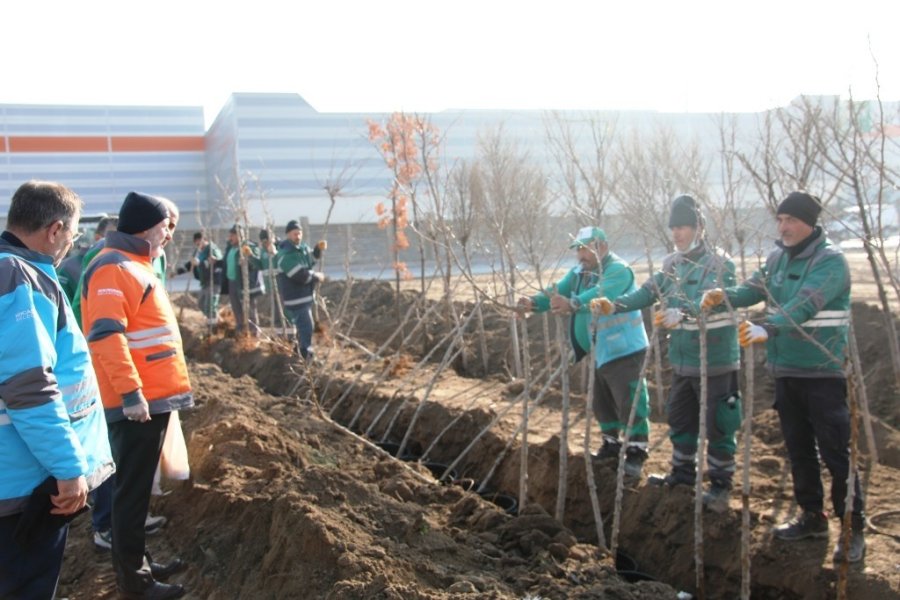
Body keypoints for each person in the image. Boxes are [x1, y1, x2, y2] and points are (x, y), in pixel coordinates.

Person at [701, 191, 865, 562]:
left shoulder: (831, 262)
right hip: (787, 372)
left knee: (837, 454)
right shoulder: (775, 259)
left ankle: (852, 528)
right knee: (799, 450)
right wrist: (721, 294)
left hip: (822, 373)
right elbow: (752, 290)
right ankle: (812, 516)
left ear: (810, 222)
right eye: (780, 220)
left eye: (791, 220)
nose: (784, 227)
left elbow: (806, 303)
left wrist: (768, 326)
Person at [0, 180, 114, 599]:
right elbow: (30, 387)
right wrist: (68, 469)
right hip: (23, 483)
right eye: (73, 233)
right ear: (54, 229)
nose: (72, 242)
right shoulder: (18, 278)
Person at [594, 195, 741, 512]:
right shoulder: (672, 264)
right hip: (684, 359)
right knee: (680, 419)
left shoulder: (720, 265)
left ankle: (720, 486)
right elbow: (649, 291)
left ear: (699, 227)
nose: (677, 234)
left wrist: (684, 315)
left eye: (683, 227)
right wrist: (616, 304)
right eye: (674, 227)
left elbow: (720, 305)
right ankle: (683, 474)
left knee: (718, 424)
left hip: (715, 360)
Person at [82, 191, 193, 599]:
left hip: (151, 398)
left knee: (136, 490)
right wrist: (131, 393)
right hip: (136, 402)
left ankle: (140, 563)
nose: (168, 234)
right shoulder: (114, 268)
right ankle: (137, 585)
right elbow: (108, 335)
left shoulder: (133, 265)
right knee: (129, 495)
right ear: (146, 227)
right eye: (165, 226)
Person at [518, 226, 650, 477]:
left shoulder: (618, 270)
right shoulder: (580, 273)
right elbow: (558, 290)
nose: (580, 254)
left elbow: (601, 294)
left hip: (626, 348)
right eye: (578, 249)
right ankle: (611, 444)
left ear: (601, 246)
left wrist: (573, 304)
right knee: (602, 400)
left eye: (585, 248)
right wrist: (534, 302)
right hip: (601, 348)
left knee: (630, 399)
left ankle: (636, 451)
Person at [275, 220, 326, 360]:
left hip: (305, 296)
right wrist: (317, 276)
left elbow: (310, 260)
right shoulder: (285, 254)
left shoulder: (301, 248)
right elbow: (300, 275)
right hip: (296, 298)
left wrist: (317, 250)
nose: (298, 236)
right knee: (306, 329)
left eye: (299, 233)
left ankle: (299, 353)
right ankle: (307, 358)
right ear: (288, 235)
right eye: (294, 234)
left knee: (303, 329)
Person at [223, 224, 265, 337]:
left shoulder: (249, 246)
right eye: (230, 235)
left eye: (232, 235)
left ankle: (254, 334)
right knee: (236, 309)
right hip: (232, 282)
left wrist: (248, 259)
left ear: (239, 235)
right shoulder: (230, 248)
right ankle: (241, 333)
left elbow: (257, 263)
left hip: (245, 284)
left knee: (249, 309)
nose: (230, 238)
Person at [179, 231, 223, 326]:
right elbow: (191, 264)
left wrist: (200, 263)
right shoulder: (200, 252)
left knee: (210, 305)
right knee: (201, 304)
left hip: (213, 280)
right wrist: (178, 272)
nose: (198, 245)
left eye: (199, 242)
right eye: (196, 243)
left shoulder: (212, 249)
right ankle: (216, 320)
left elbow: (217, 261)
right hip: (204, 281)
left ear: (205, 240)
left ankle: (213, 326)